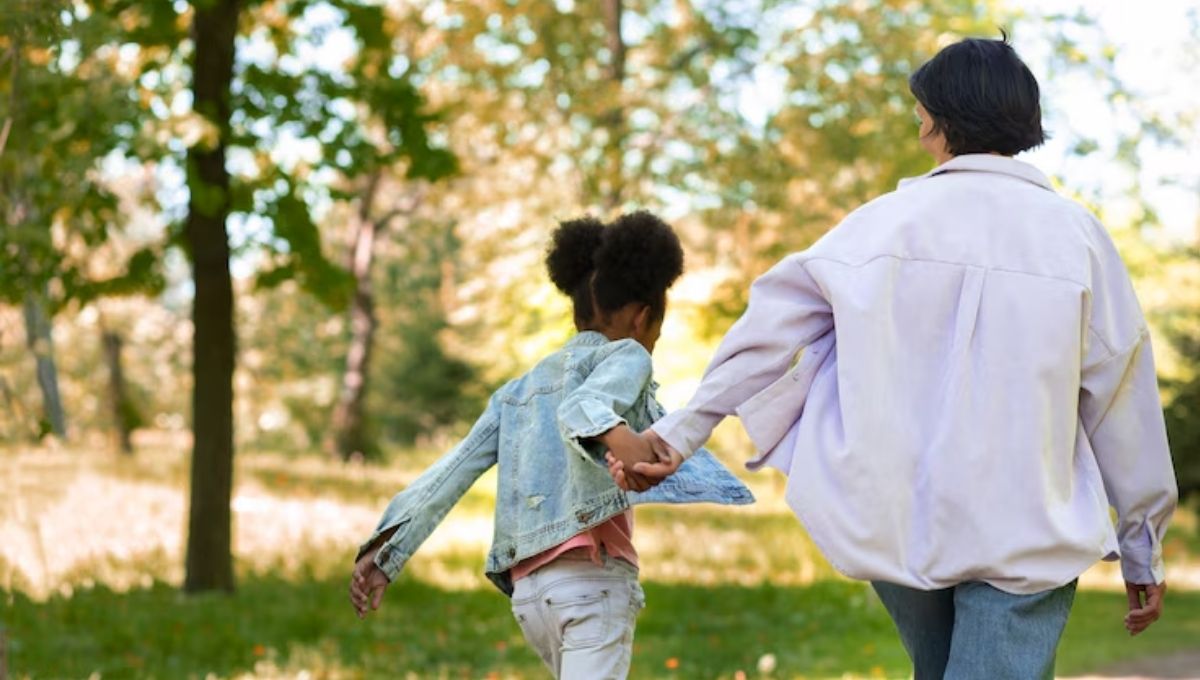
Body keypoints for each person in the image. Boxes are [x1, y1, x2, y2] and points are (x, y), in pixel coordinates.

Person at [608, 36, 1178, 679]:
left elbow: (766, 335)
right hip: (1026, 525)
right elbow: (1121, 395)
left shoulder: (877, 226)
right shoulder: (1078, 239)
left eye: (920, 114)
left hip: (899, 516)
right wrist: (1142, 547)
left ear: (938, 124)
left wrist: (680, 434)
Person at [349, 211, 753, 679]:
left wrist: (387, 548)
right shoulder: (626, 355)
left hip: (530, 594)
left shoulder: (518, 390)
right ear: (643, 319)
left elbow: (452, 469)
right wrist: (626, 443)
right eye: (656, 335)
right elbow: (583, 407)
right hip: (591, 582)